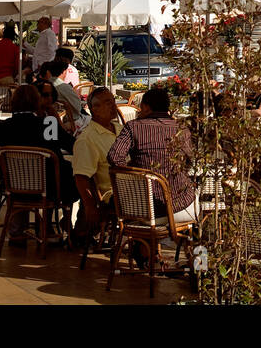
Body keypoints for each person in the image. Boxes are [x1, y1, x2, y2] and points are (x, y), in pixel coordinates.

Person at [107, 85, 197, 225]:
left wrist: (134, 173)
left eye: (141, 107)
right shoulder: (182, 128)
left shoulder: (133, 127)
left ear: (147, 107)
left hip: (144, 208)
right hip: (181, 207)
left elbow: (114, 158)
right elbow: (189, 161)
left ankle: (140, 244)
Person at [73, 87, 121, 239]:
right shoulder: (87, 139)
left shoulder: (120, 129)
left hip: (132, 186)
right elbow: (81, 176)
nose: (113, 106)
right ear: (94, 109)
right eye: (108, 103)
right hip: (114, 195)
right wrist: (89, 205)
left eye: (113, 101)